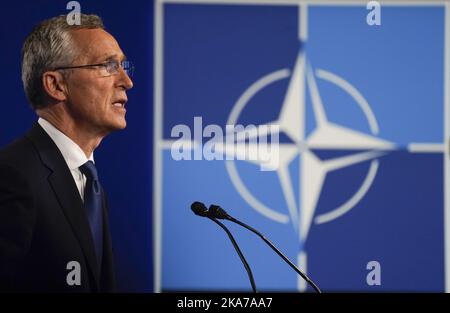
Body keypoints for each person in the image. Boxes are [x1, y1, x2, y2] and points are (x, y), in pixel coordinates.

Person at [0, 13, 133, 292]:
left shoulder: (89, 181)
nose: (126, 81)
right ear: (57, 85)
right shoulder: (12, 175)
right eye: (108, 66)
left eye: (123, 65)